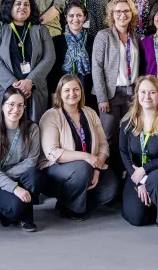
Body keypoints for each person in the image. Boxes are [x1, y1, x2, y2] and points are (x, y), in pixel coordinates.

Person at [39, 75, 119, 220]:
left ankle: (79, 199)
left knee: (110, 188)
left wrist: (97, 168)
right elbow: (52, 153)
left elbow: (103, 144)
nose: (72, 94)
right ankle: (67, 207)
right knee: (83, 168)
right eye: (67, 90)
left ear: (81, 92)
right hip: (56, 169)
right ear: (59, 93)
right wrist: (86, 157)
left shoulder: (90, 112)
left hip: (88, 167)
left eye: (76, 89)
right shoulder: (51, 115)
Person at [0, 0, 55, 128]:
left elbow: (49, 58)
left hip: (32, 91)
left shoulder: (41, 30)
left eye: (26, 4)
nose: (23, 7)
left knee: (30, 134)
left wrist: (29, 81)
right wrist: (14, 84)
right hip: (0, 89)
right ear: (10, 7)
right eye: (18, 4)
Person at [120, 76, 158, 227]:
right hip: (137, 174)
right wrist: (140, 180)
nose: (147, 96)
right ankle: (154, 202)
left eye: (152, 92)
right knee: (136, 218)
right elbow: (123, 152)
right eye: (143, 92)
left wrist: (144, 170)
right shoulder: (128, 120)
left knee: (157, 182)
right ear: (137, 94)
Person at [0, 86, 45, 231]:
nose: (16, 109)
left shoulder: (32, 129)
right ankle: (11, 209)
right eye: (11, 104)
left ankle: (27, 216)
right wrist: (13, 187)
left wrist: (15, 185)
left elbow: (31, 160)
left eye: (20, 105)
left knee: (36, 176)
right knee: (13, 210)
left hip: (21, 178)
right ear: (2, 106)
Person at [92, 0, 141, 172]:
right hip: (110, 95)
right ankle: (109, 173)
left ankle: (127, 171)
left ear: (132, 13)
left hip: (132, 94)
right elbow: (96, 68)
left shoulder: (135, 36)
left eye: (126, 11)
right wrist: (101, 97)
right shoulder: (103, 35)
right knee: (109, 136)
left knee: (129, 134)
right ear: (112, 14)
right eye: (118, 11)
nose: (122, 15)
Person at [46, 2, 95, 108]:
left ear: (84, 17)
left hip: (87, 89)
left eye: (79, 15)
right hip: (63, 89)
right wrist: (54, 92)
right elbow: (51, 70)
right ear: (66, 18)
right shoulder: (56, 41)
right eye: (71, 16)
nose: (75, 19)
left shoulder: (93, 40)